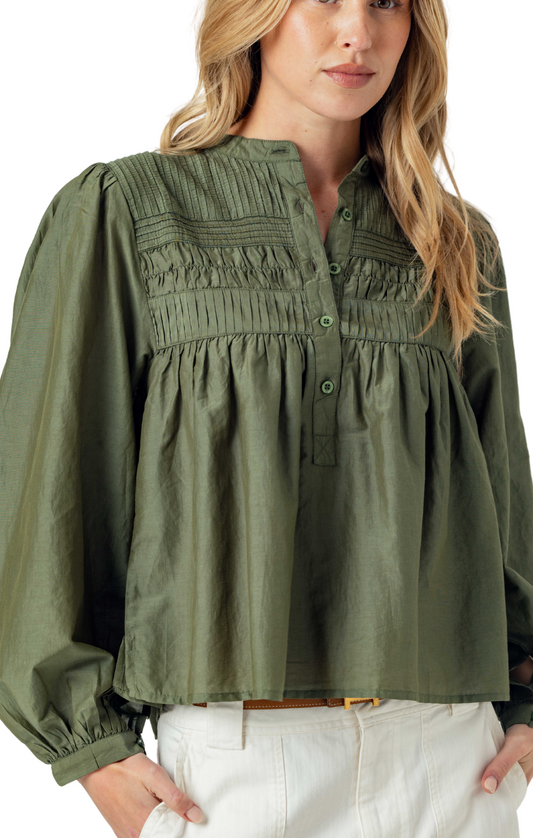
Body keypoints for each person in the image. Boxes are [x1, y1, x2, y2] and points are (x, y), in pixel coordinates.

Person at [1, 0, 533, 835]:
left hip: (449, 760)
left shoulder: (452, 239)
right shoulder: (128, 211)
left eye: (387, 2)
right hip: (229, 771)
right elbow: (50, 496)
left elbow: (504, 507)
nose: (358, 32)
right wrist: (90, 749)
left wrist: (526, 708)